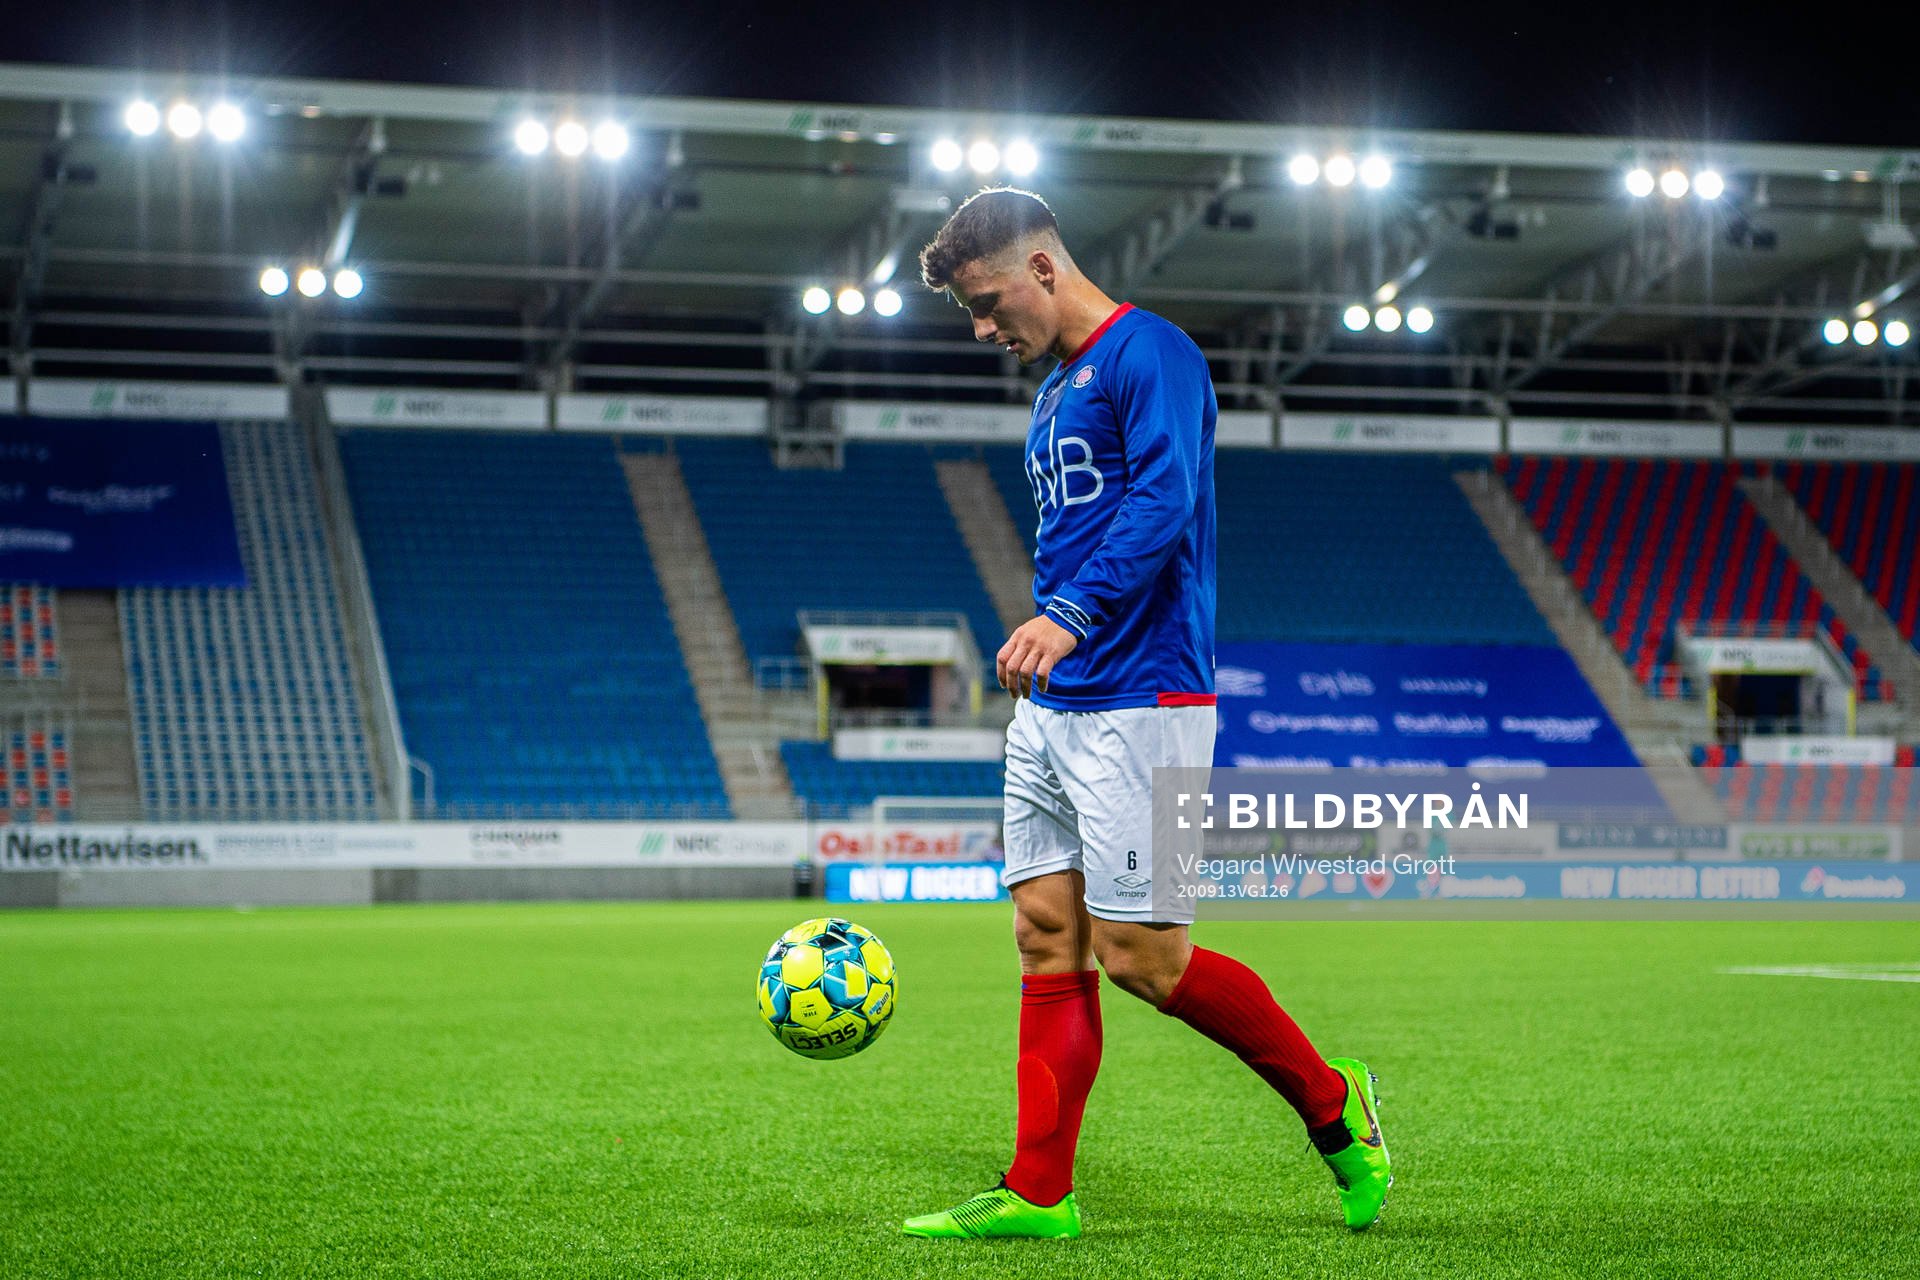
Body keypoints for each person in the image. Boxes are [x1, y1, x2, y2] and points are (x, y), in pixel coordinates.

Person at [901, 188, 1390, 1241]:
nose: (984, 329)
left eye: (987, 302)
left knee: (1144, 959)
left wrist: (1067, 615)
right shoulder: (1055, 390)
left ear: (1041, 267)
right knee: (1045, 938)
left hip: (1144, 696)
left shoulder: (1149, 352)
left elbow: (1165, 497)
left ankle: (1334, 1103)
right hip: (1055, 707)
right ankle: (1038, 1193)